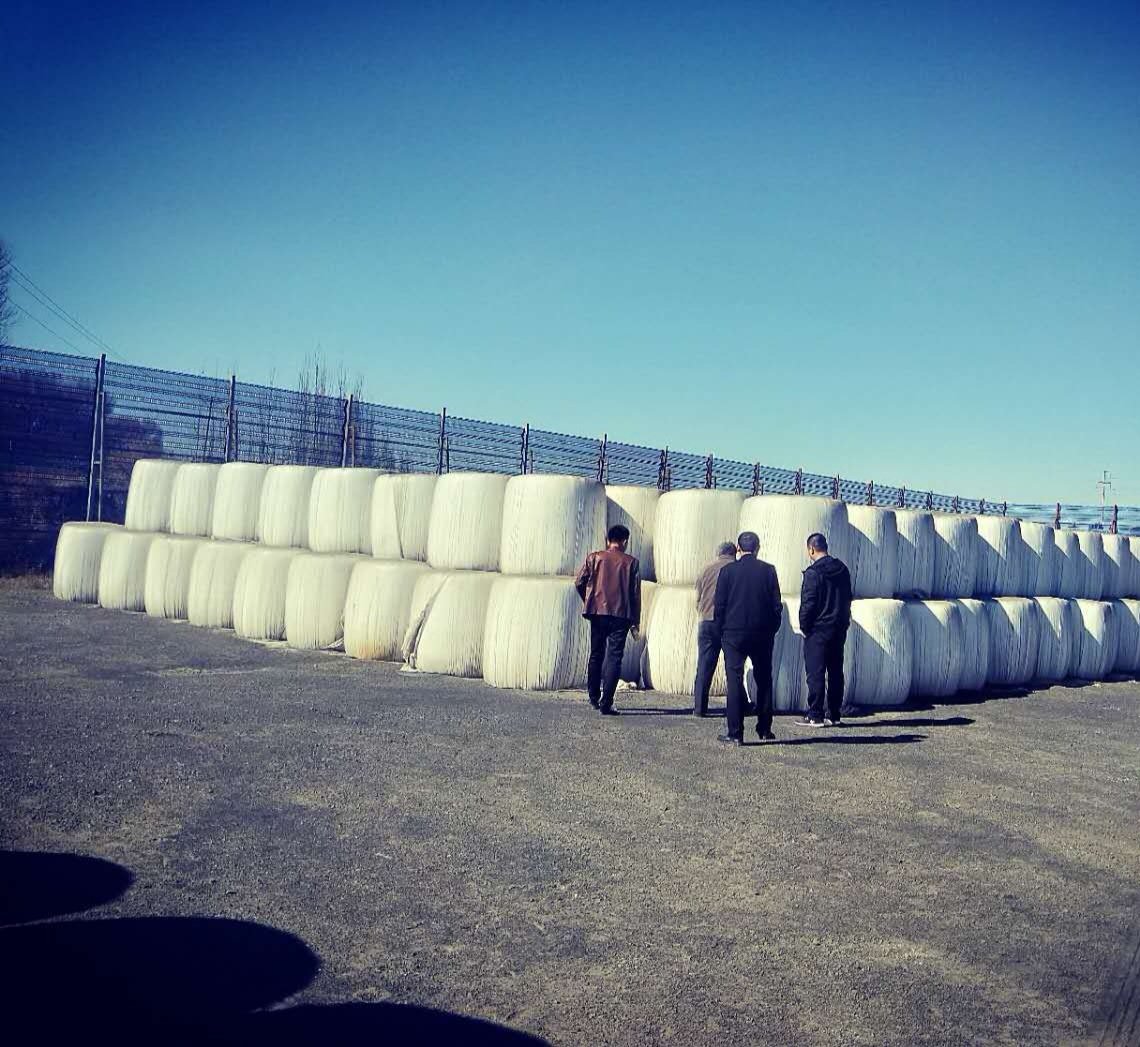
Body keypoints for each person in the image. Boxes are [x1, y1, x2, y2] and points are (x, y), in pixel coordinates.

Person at [712, 531, 781, 745]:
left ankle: (735, 732)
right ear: (758, 548)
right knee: (764, 681)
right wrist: (771, 629)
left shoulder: (727, 571)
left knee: (734, 680)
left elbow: (719, 606)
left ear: (738, 549)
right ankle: (764, 729)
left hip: (733, 634)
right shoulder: (769, 571)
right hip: (762, 634)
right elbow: (776, 606)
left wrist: (721, 631)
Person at [574, 524, 642, 715]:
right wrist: (635, 620)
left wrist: (590, 600)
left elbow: (579, 582)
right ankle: (607, 703)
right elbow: (635, 595)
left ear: (608, 540)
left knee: (596, 654)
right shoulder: (632, 563)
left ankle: (594, 697)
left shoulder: (594, 557)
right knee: (614, 658)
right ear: (625, 541)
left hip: (597, 613)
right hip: (621, 616)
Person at [796, 532, 853, 728]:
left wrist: (804, 626)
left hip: (818, 629)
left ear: (811, 549)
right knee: (836, 671)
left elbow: (808, 604)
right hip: (838, 628)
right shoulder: (842, 569)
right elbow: (848, 598)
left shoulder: (813, 574)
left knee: (816, 672)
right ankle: (834, 713)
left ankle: (815, 714)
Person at [692, 541, 737, 717]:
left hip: (706, 622)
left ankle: (699, 708)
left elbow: (697, 598)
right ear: (734, 553)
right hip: (729, 624)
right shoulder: (736, 569)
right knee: (733, 666)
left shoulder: (705, 568)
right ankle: (738, 705)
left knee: (704, 666)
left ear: (718, 553)